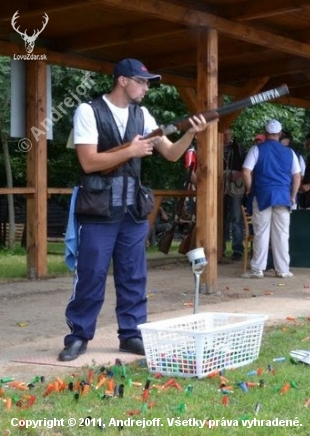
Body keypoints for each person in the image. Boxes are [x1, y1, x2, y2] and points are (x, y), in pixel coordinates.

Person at [58, 58, 212, 362]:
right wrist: (131, 150)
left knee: (133, 277)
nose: (146, 88)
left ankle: (131, 334)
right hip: (98, 211)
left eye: (147, 83)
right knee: (90, 276)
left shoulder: (142, 115)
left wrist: (191, 134)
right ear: (123, 81)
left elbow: (170, 153)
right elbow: (88, 162)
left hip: (131, 212)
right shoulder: (88, 111)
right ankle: (78, 336)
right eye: (141, 82)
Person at [241, 119, 301, 279]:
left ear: (266, 133)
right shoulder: (290, 152)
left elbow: (246, 171)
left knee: (261, 232)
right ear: (280, 134)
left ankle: (258, 269)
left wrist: (249, 189)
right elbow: (297, 176)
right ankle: (283, 269)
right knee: (282, 233)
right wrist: (293, 195)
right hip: (283, 196)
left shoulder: (256, 149)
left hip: (262, 195)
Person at [223, 128, 246, 261]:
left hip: (235, 186)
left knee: (237, 218)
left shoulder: (239, 148)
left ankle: (238, 249)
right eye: (224, 134)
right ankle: (219, 248)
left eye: (229, 134)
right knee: (220, 218)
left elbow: (249, 164)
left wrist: (241, 173)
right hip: (219, 186)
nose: (227, 137)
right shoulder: (214, 147)